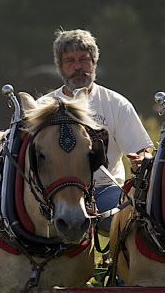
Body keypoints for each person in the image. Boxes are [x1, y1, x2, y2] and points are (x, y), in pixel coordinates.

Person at [46, 28, 154, 233]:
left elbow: (142, 150)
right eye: (70, 61)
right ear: (60, 66)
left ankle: (122, 264)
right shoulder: (45, 106)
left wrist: (142, 160)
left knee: (130, 222)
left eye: (84, 59)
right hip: (55, 192)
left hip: (105, 190)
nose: (78, 67)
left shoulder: (116, 103)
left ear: (94, 62)